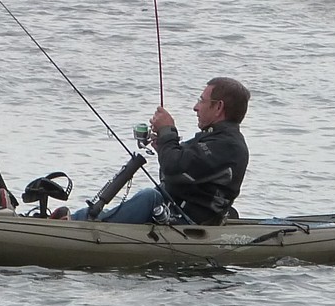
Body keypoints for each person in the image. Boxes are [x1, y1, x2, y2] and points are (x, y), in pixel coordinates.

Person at [71, 77, 250, 224]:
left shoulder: (228, 145)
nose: (195, 107)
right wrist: (162, 146)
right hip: (176, 212)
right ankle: (73, 219)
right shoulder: (215, 138)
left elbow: (175, 167)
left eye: (201, 101)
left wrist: (167, 131)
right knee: (150, 197)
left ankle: (76, 224)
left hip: (191, 222)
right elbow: (176, 173)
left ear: (218, 107)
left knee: (149, 197)